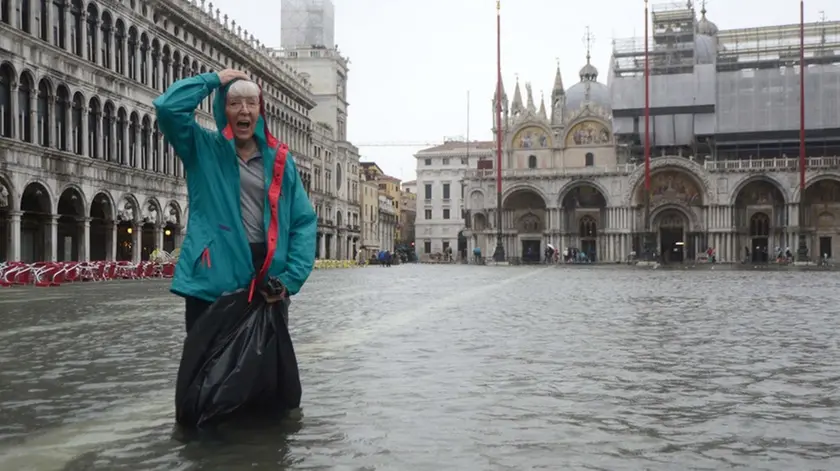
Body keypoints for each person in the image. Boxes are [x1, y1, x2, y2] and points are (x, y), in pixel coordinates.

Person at [153, 69, 317, 332]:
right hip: (212, 278)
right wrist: (213, 80)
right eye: (234, 103)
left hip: (266, 282)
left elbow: (303, 222)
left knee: (263, 369)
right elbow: (168, 108)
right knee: (205, 367)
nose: (244, 110)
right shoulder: (202, 148)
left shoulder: (280, 162)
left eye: (251, 103)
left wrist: (288, 280)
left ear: (259, 112)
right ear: (223, 110)